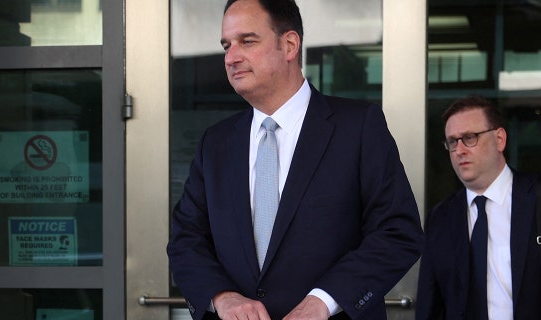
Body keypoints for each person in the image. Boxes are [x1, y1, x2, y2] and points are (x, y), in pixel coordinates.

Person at [166, 0, 424, 319]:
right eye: (226, 45)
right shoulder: (215, 143)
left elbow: (397, 232)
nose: (231, 57)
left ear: (289, 45)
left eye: (247, 41)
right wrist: (223, 297)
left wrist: (323, 301)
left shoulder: (358, 127)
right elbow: (186, 240)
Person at [416, 95, 541, 319]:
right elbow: (430, 307)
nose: (459, 150)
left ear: (499, 139)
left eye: (470, 138)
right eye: (452, 141)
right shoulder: (440, 218)